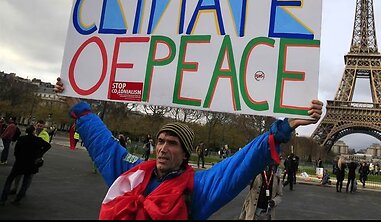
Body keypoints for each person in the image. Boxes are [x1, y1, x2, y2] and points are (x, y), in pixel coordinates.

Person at [54, 77, 323, 220]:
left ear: (185, 154)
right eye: (160, 141)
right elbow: (104, 145)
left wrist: (285, 127)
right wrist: (76, 103)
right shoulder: (133, 173)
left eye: (172, 144)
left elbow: (242, 163)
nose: (162, 148)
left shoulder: (198, 187)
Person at [0, 125, 51, 206]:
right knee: (25, 183)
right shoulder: (38, 140)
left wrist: (18, 158)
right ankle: (18, 199)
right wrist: (40, 154)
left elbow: (16, 151)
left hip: (19, 163)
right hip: (31, 164)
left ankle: (3, 199)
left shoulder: (21, 139)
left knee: (9, 180)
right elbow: (48, 146)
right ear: (34, 131)